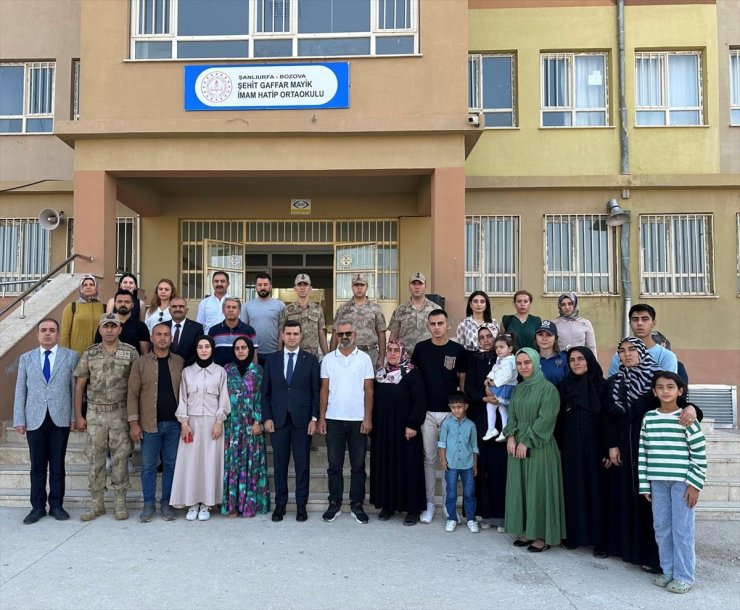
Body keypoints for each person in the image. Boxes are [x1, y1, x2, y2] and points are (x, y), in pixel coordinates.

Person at [605, 337, 701, 572]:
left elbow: (683, 405)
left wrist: (693, 409)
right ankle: (630, 551)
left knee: (653, 511)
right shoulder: (616, 382)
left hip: (653, 454)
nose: (627, 355)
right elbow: (609, 416)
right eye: (622, 351)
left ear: (642, 352)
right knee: (630, 501)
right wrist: (612, 444)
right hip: (625, 451)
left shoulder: (658, 379)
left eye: (632, 350)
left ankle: (656, 558)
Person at [638, 372, 707, 594]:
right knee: (662, 528)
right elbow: (644, 453)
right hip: (657, 482)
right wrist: (644, 484)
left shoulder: (687, 418)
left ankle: (684, 575)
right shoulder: (649, 418)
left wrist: (695, 484)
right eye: (660, 387)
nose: (665, 391)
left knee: (682, 529)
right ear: (654, 392)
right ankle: (668, 570)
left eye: (670, 387)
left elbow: (699, 453)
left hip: (681, 484)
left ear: (680, 391)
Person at [13, 318, 79, 524]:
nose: (48, 334)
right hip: (34, 418)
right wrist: (19, 419)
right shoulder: (26, 358)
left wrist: (74, 417)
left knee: (58, 465)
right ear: (38, 334)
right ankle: (38, 507)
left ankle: (57, 506)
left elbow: (73, 389)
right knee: (37, 466)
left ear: (58, 334)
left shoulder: (70, 357)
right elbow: (20, 390)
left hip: (60, 417)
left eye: (52, 330)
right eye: (44, 330)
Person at [74, 313, 139, 521]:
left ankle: (120, 501)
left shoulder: (130, 353)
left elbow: (136, 387)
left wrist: (134, 418)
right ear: (100, 329)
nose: (110, 330)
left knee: (120, 457)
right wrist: (79, 415)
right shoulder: (90, 353)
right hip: (95, 414)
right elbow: (80, 386)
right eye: (106, 326)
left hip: (120, 412)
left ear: (120, 329)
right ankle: (97, 502)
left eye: (114, 326)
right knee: (95, 457)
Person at [503, 348, 565, 552]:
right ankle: (526, 531)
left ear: (536, 362)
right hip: (517, 445)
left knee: (538, 489)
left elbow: (546, 419)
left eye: (527, 362)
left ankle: (541, 535)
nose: (523, 367)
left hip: (539, 446)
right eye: (519, 364)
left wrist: (526, 441)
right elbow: (511, 414)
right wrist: (511, 437)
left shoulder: (548, 389)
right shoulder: (519, 388)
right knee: (521, 488)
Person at [410, 309, 467, 524]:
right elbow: (415, 381)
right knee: (430, 459)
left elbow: (462, 381)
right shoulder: (421, 349)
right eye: (432, 324)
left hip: (451, 413)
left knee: (450, 461)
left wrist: (462, 409)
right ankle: (429, 503)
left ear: (447, 325)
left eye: (440, 323)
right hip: (428, 413)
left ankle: (448, 505)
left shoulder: (458, 350)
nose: (436, 327)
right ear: (428, 326)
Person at [263, 321, 321, 522]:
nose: (292, 337)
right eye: (288, 333)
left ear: (301, 336)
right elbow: (265, 393)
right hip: (278, 420)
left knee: (302, 465)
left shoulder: (311, 360)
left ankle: (301, 505)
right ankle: (280, 505)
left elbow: (316, 391)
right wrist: (267, 417)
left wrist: (314, 418)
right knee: (280, 464)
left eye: (296, 333)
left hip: (302, 421)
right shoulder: (272, 360)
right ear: (282, 335)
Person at [318, 320, 374, 524]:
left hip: (358, 420)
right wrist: (322, 417)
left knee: (358, 466)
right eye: (340, 334)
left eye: (348, 333)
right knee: (334, 465)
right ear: (335, 336)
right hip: (333, 419)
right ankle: (334, 503)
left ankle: (357, 504)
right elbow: (324, 389)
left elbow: (369, 390)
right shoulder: (328, 360)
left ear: (355, 335)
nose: (344, 337)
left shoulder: (365, 359)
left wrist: (368, 417)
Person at [127, 322, 184, 523]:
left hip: (174, 425)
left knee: (171, 465)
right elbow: (132, 394)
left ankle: (166, 503)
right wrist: (134, 422)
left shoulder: (179, 362)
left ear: (171, 338)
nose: (162, 338)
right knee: (149, 466)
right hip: (149, 425)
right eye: (158, 334)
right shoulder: (140, 363)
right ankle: (148, 504)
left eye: (166, 335)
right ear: (152, 338)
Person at [171, 336, 231, 522]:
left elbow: (224, 398)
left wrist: (219, 421)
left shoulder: (220, 372)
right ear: (195, 349)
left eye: (207, 347)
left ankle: (207, 502)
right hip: (191, 425)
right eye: (200, 347)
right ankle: (192, 502)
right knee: (191, 463)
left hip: (213, 424)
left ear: (212, 349)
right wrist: (184, 423)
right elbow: (182, 398)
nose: (204, 350)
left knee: (210, 463)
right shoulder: (187, 372)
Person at [556, 346, 609, 556]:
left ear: (589, 360)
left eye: (580, 359)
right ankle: (574, 535)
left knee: (597, 492)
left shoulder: (602, 386)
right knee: (573, 489)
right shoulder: (563, 387)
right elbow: (557, 420)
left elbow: (609, 418)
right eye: (572, 360)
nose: (576, 363)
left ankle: (600, 541)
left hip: (597, 448)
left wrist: (608, 447)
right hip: (571, 448)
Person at [370, 339, 426, 526]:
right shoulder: (379, 374)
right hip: (383, 429)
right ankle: (388, 506)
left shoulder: (412, 373)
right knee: (386, 466)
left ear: (403, 353)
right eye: (389, 350)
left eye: (396, 350)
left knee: (408, 468)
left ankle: (412, 510)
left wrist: (413, 425)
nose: (392, 353)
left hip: (406, 430)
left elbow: (419, 401)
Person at [464, 324, 508, 532]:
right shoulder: (474, 359)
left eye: (489, 336)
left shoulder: (505, 359)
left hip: (501, 417)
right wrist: (484, 398)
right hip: (481, 417)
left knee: (500, 467)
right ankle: (483, 512)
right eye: (481, 337)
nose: (485, 340)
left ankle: (501, 514)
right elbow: (469, 388)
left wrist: (500, 398)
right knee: (481, 467)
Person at [222, 337, 270, 518]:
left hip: (252, 426)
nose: (240, 351)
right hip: (232, 426)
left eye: (244, 348)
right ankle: (232, 505)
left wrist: (259, 421)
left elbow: (263, 396)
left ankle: (249, 505)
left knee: (251, 464)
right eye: (237, 348)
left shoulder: (258, 371)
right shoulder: (227, 370)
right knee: (233, 465)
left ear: (250, 350)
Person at [438, 391, 479, 533]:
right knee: (451, 492)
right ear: (450, 407)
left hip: (468, 465)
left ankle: (471, 518)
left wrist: (475, 464)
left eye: (459, 407)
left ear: (466, 406)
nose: (457, 410)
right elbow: (442, 443)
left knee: (469, 493)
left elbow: (474, 446)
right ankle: (452, 518)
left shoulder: (471, 425)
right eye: (454, 407)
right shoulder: (446, 424)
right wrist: (443, 460)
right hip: (451, 464)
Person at [332, 272, 387, 368]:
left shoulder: (375, 308)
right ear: (352, 287)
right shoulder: (343, 309)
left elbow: (381, 334)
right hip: (348, 353)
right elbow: (335, 333)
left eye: (362, 284)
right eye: (356, 285)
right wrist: (332, 356)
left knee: (369, 382)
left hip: (371, 354)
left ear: (367, 286)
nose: (359, 287)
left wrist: (381, 358)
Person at [607, 304, 677, 376]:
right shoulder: (620, 355)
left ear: (653, 323)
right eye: (635, 319)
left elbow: (667, 385)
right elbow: (612, 383)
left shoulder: (666, 356)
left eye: (645, 319)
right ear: (630, 324)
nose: (639, 323)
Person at [278, 273, 329, 358]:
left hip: (312, 355)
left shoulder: (318, 309)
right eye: (299, 285)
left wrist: (327, 356)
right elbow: (281, 333)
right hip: (292, 354)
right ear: (295, 288)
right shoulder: (287, 310)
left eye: (305, 284)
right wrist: (279, 355)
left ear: (310, 288)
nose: (302, 288)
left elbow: (321, 333)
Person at [388, 272, 438, 356]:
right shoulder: (400, 310)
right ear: (409, 286)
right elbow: (393, 336)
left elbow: (441, 334)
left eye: (420, 284)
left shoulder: (435, 309)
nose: (417, 287)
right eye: (414, 283)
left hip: (429, 356)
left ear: (425, 285)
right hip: (405, 358)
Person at [241, 272, 284, 365]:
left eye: (265, 284)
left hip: (274, 353)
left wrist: (280, 352)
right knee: (256, 379)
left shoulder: (280, 305)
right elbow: (244, 330)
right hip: (253, 353)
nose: (262, 287)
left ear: (270, 286)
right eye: (259, 285)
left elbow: (282, 331)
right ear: (256, 287)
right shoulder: (247, 305)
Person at [482, 333, 517, 442]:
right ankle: (497, 430)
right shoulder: (501, 359)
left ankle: (497, 430)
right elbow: (495, 369)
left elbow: (508, 376)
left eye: (501, 347)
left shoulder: (510, 361)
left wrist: (495, 383)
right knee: (498, 407)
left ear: (510, 348)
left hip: (506, 387)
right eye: (496, 347)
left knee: (496, 407)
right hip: (502, 387)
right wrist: (489, 377)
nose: (498, 350)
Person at [60, 274, 105, 355]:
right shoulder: (72, 307)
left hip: (97, 354)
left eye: (91, 284)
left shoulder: (102, 307)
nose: (88, 287)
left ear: (96, 287)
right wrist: (66, 354)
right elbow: (65, 334)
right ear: (81, 288)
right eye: (85, 285)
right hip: (77, 354)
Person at [97, 289, 150, 355]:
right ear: (115, 304)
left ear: (132, 305)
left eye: (127, 302)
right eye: (119, 301)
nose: (123, 304)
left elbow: (145, 354)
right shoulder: (104, 326)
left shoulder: (141, 326)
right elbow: (97, 349)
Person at [207, 297, 256, 366]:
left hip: (242, 374)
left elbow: (254, 354)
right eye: (228, 307)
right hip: (219, 373)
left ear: (239, 311)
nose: (231, 310)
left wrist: (253, 372)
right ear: (223, 310)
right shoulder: (213, 330)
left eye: (234, 307)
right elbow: (209, 353)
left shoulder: (249, 330)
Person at [166, 297, 204, 366]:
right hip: (166, 368)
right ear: (169, 310)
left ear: (186, 310)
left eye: (181, 306)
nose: (177, 309)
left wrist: (186, 367)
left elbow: (198, 350)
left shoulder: (197, 328)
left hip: (190, 369)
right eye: (174, 306)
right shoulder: (162, 326)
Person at [535, 320, 569, 385]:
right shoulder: (530, 359)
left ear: (555, 339)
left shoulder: (564, 358)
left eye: (549, 335)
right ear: (535, 338)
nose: (544, 339)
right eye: (540, 334)